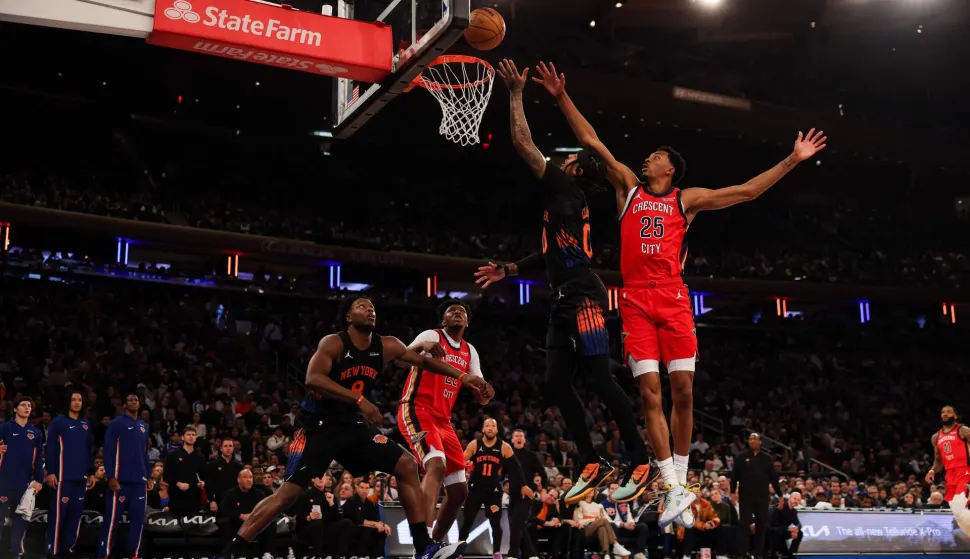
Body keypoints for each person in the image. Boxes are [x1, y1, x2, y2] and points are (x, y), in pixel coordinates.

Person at [532, 61, 826, 520]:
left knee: (683, 390)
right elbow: (592, 140)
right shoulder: (628, 186)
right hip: (634, 300)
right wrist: (560, 96)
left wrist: (793, 159)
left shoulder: (686, 200)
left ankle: (681, 481)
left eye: (655, 155)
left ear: (671, 168)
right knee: (650, 392)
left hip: (672, 297)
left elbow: (747, 192)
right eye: (647, 156)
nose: (647, 158)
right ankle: (671, 487)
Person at [476, 58, 655, 507]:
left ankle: (639, 458)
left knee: (598, 379)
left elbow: (522, 141)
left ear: (575, 173)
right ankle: (592, 460)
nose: (565, 159)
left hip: (584, 297)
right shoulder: (567, 204)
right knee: (556, 384)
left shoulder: (564, 189)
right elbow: (550, 254)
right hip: (564, 298)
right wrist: (511, 269)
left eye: (571, 160)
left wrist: (516, 92)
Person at [222, 296, 489, 559]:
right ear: (349, 317)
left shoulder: (386, 345)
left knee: (406, 465)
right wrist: (359, 400)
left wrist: (462, 376)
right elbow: (313, 379)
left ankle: (424, 547)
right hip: (318, 427)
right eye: (362, 306)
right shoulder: (334, 342)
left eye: (372, 307)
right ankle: (233, 550)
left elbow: (424, 362)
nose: (369, 309)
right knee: (287, 494)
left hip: (353, 427)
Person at [398, 299, 494, 544]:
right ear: (443, 320)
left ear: (467, 321)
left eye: (461, 311)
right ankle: (423, 539)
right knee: (436, 465)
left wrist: (485, 392)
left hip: (443, 420)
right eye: (452, 311)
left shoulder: (470, 351)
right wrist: (422, 345)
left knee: (460, 491)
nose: (457, 313)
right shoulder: (433, 335)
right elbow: (399, 359)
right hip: (417, 409)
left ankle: (436, 545)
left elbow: (480, 395)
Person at [459, 418, 526, 559]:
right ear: (483, 429)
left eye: (493, 426)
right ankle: (459, 551)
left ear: (497, 430)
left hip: (493, 491)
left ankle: (496, 552)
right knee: (467, 521)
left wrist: (523, 485)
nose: (490, 428)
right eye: (487, 425)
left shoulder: (504, 447)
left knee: (496, 522)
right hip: (475, 489)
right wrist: (464, 471)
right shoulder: (474, 444)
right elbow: (461, 462)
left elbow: (516, 468)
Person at [99, 394, 154, 559]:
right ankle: (104, 554)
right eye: (130, 399)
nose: (134, 401)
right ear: (124, 404)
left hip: (139, 481)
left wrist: (149, 475)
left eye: (137, 399)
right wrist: (111, 477)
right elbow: (108, 452)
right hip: (120, 480)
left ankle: (134, 554)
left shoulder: (144, 426)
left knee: (138, 522)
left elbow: (145, 454)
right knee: (112, 521)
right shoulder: (116, 424)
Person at [45, 391, 95, 558]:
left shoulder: (86, 424)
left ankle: (69, 548)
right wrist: (51, 471)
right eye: (73, 399)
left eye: (79, 399)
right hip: (62, 477)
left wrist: (91, 472)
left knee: (75, 516)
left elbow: (89, 450)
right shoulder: (58, 422)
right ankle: (52, 550)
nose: (76, 402)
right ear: (68, 402)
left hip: (80, 478)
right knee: (58, 516)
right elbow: (50, 449)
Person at [0, 398, 44, 558]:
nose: (27, 408)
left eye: (30, 406)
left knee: (21, 521)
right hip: (3, 481)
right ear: (15, 409)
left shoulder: (36, 433)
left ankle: (17, 554)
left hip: (25, 484)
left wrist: (39, 480)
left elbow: (39, 458)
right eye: (23, 405)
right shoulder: (4, 428)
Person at [730, 433, 782, 559]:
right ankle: (744, 553)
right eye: (750, 439)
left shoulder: (767, 458)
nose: (753, 441)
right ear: (748, 442)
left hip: (762, 497)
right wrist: (732, 493)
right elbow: (734, 476)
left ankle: (759, 554)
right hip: (745, 496)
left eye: (755, 439)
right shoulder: (741, 457)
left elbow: (773, 478)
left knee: (761, 525)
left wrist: (780, 495)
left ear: (760, 442)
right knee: (744, 525)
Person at [926, 405, 970, 534]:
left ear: (955, 416)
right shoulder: (936, 437)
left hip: (965, 471)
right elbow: (938, 461)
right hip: (950, 475)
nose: (945, 414)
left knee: (960, 508)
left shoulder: (963, 431)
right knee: (958, 515)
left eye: (949, 412)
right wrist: (932, 470)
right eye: (943, 412)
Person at [506, 429, 547, 559]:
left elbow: (543, 475)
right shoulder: (508, 455)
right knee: (517, 525)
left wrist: (534, 488)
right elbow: (502, 472)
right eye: (516, 436)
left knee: (517, 525)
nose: (518, 438)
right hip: (513, 495)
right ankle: (532, 555)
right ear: (512, 440)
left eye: (521, 436)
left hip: (525, 495)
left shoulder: (531, 455)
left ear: (524, 440)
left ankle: (512, 555)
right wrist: (504, 485)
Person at [219, 469, 274, 559]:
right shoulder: (230, 493)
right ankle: (229, 553)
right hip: (237, 522)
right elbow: (223, 510)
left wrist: (253, 516)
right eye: (245, 477)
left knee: (270, 522)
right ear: (238, 480)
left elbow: (265, 509)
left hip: (255, 523)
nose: (249, 480)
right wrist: (240, 516)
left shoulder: (259, 493)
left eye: (250, 477)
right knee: (224, 522)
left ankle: (267, 553)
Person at [165, 425, 207, 517]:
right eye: (188, 434)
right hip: (177, 499)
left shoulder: (200, 457)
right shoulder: (173, 455)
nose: (191, 437)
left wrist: (203, 482)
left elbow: (204, 475)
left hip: (194, 499)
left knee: (193, 528)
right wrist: (178, 483)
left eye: (193, 435)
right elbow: (167, 475)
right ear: (183, 437)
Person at [205, 439, 244, 514]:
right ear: (221, 448)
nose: (228, 448)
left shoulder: (239, 466)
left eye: (230, 446)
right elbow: (209, 484)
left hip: (234, 502)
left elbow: (241, 486)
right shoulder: (213, 465)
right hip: (218, 501)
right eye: (225, 446)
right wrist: (211, 501)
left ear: (233, 448)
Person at [768, 492, 803, 559]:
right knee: (779, 530)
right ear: (790, 498)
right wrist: (788, 529)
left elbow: (799, 523)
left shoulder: (794, 511)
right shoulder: (780, 506)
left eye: (798, 500)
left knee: (800, 533)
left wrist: (796, 528)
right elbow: (773, 523)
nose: (796, 501)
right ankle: (775, 552)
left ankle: (792, 554)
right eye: (795, 498)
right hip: (772, 531)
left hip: (783, 531)